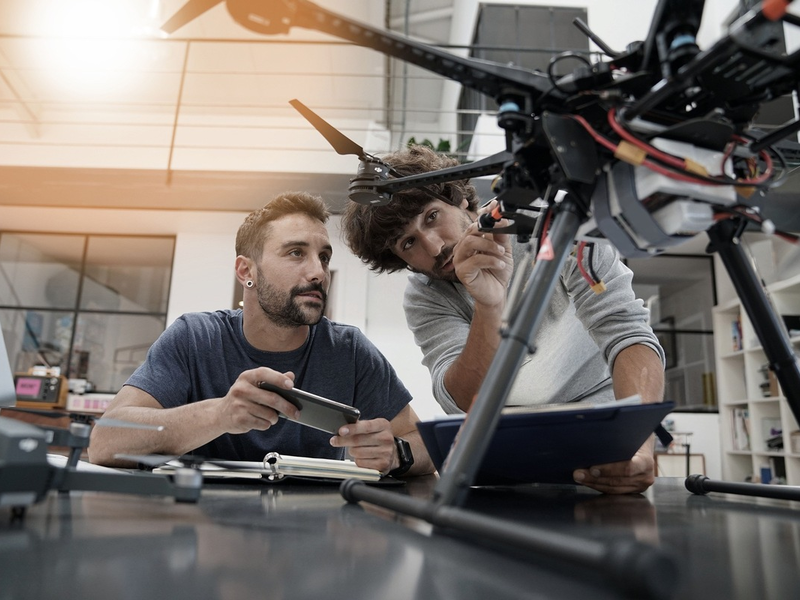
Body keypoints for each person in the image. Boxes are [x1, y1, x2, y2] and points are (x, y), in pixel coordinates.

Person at [341, 145, 665, 494]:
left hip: (601, 424)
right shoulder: (426, 295)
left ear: (460, 199)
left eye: (432, 217)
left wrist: (638, 443)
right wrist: (489, 305)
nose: (433, 247)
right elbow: (461, 399)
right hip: (507, 438)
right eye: (408, 243)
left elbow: (627, 333)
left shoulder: (555, 226)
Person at [89, 191, 433, 478]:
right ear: (246, 271)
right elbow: (104, 443)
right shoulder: (195, 338)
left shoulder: (349, 350)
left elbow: (424, 447)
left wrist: (396, 453)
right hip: (204, 523)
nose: (319, 272)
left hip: (312, 525)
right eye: (296, 253)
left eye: (324, 257)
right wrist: (219, 415)